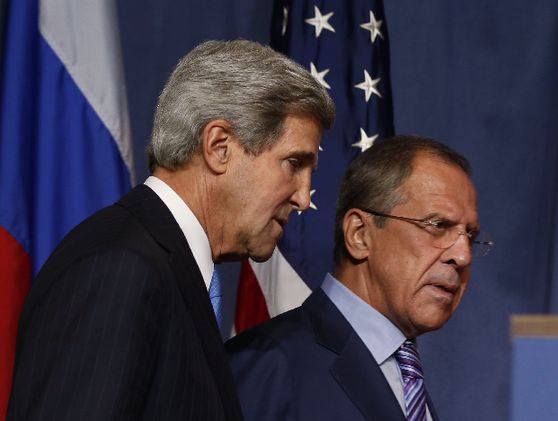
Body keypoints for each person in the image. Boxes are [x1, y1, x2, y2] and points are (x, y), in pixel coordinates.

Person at [7, 40, 334, 421]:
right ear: (219, 146)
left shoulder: (168, 270)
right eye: (294, 163)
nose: (303, 197)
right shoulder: (120, 269)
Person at [226, 135, 493, 421]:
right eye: (439, 225)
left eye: (471, 236)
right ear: (359, 234)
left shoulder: (407, 379)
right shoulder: (268, 363)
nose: (463, 256)